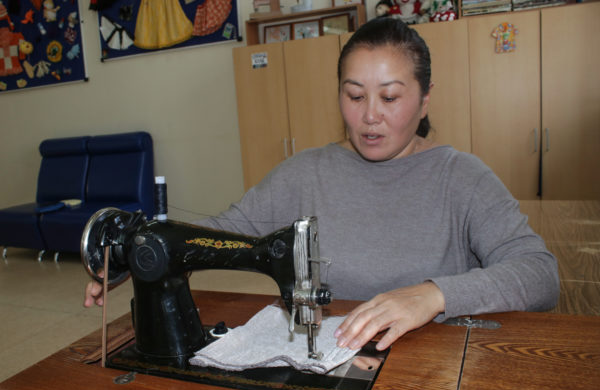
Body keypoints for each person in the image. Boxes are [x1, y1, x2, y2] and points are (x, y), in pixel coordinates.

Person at [85, 18, 559, 353]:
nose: (369, 115)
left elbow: (540, 275)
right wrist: (140, 254)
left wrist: (434, 295)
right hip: (332, 365)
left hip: (430, 374)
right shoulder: (304, 173)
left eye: (390, 97)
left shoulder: (462, 176)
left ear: (425, 99)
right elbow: (220, 233)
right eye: (354, 95)